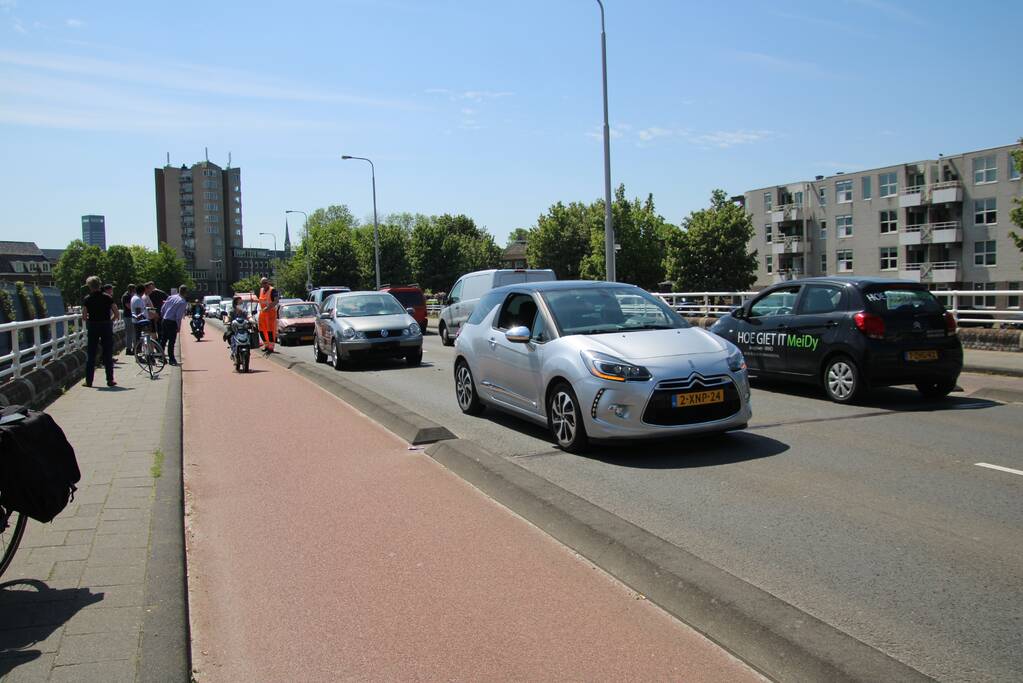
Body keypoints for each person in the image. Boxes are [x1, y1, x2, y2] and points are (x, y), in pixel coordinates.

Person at [81, 275, 119, 387]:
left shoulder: (87, 299)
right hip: (106, 325)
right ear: (100, 285)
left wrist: (90, 320)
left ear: (90, 286)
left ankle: (89, 381)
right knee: (107, 353)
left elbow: (84, 316)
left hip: (93, 326)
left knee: (91, 354)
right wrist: (110, 321)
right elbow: (116, 313)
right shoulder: (107, 297)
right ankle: (110, 380)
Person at [159, 285, 189, 366]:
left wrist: (163, 316)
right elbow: (178, 316)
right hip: (172, 322)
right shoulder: (182, 302)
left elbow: (163, 309)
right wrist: (178, 326)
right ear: (186, 292)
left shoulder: (171, 297)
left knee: (163, 339)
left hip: (165, 320)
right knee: (171, 341)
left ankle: (161, 356)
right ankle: (171, 359)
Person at [257, 277, 280, 354]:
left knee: (270, 330)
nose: (264, 284)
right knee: (261, 329)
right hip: (263, 312)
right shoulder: (261, 290)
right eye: (263, 283)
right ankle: (266, 345)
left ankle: (271, 347)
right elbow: (260, 301)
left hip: (270, 313)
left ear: (268, 282)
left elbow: (276, 301)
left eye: (266, 283)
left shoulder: (272, 290)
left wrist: (268, 307)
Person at [121, 283, 136, 355]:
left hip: (131, 316)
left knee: (133, 332)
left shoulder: (130, 295)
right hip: (128, 316)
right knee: (130, 333)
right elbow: (128, 306)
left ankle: (134, 348)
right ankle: (129, 349)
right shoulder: (126, 296)